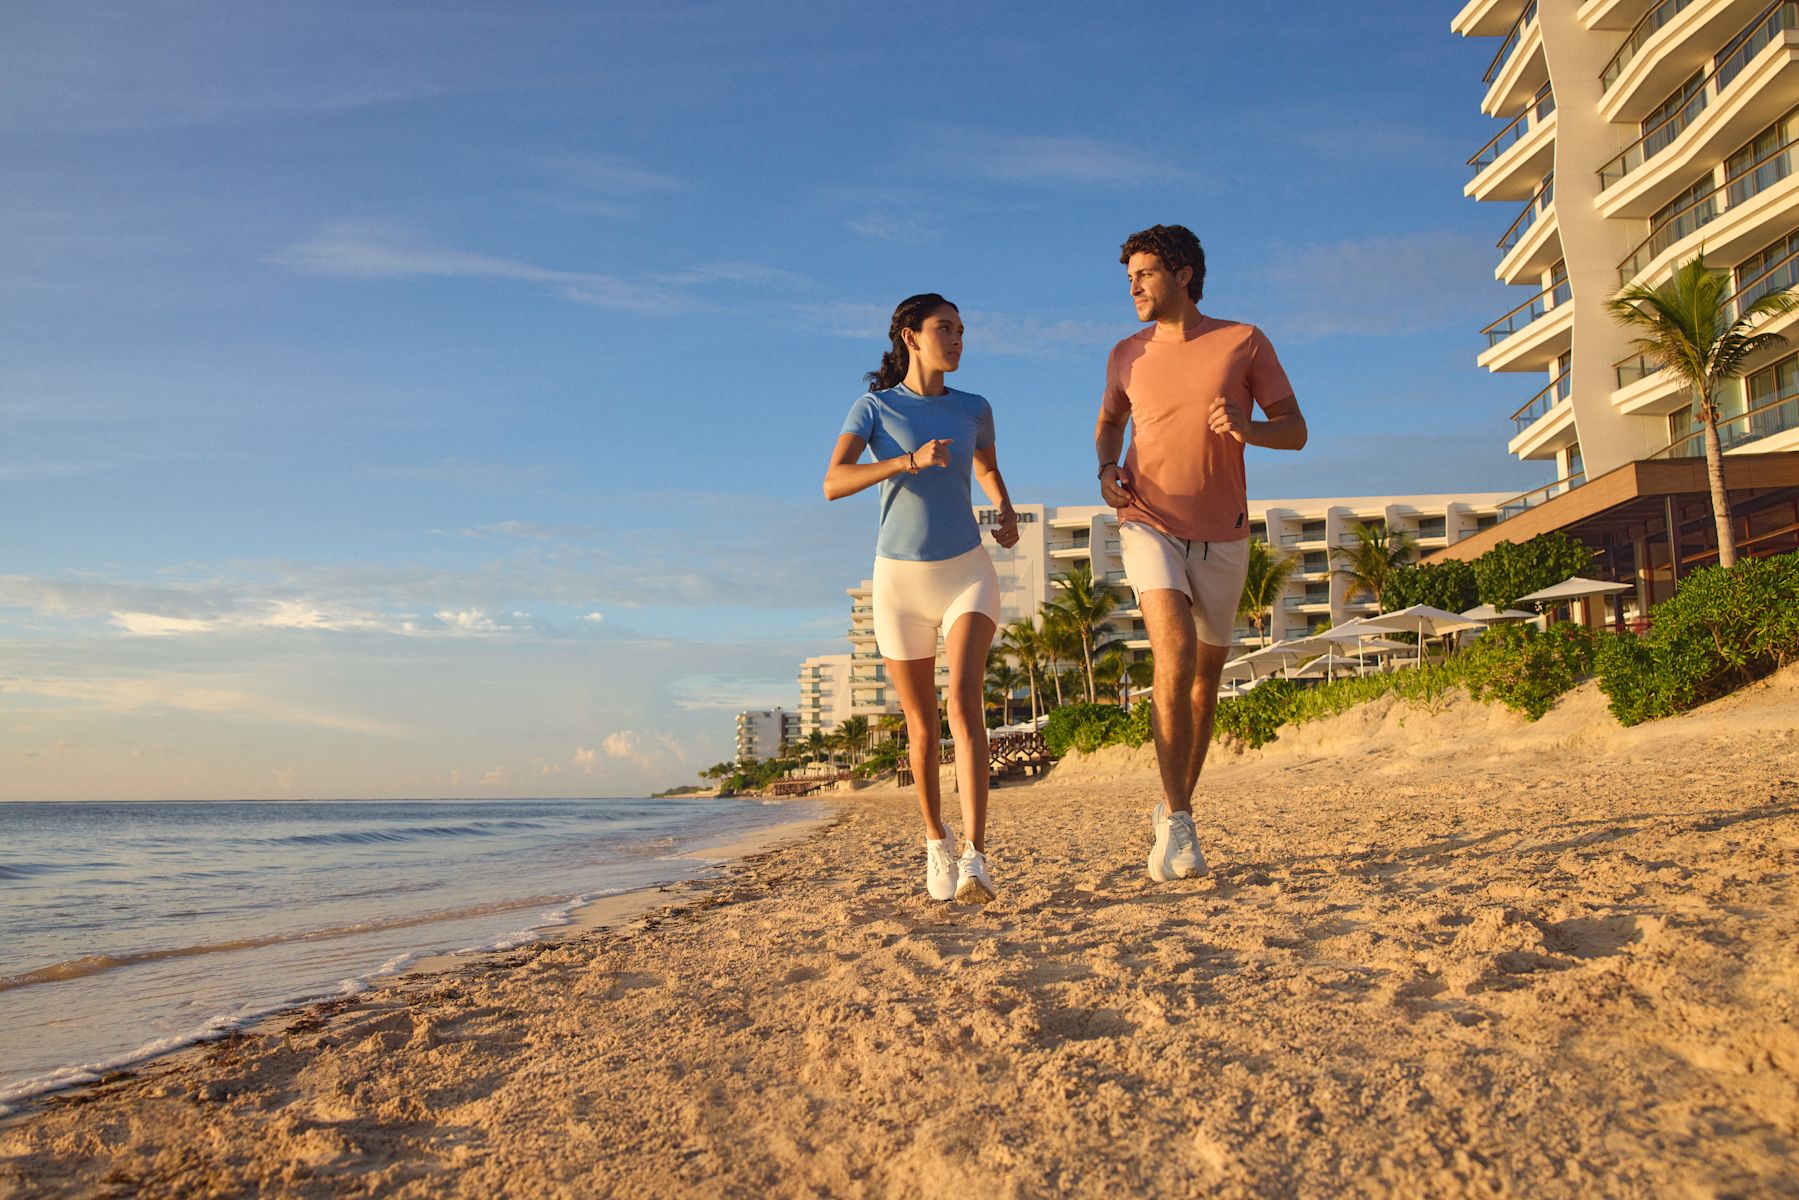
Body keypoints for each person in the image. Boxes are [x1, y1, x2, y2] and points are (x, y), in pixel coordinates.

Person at [1093, 225, 1307, 882]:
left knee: (1205, 681)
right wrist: (1106, 467)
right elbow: (1109, 422)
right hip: (1146, 521)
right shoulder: (1125, 353)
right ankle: (1182, 824)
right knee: (1174, 656)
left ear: (1183, 274)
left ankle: (1169, 805)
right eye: (1128, 275)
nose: (1132, 285)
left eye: (1145, 273)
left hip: (1224, 533)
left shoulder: (1242, 341)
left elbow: (1294, 431)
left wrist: (1248, 429)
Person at [824, 293, 1020, 903]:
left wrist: (1006, 506)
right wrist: (905, 461)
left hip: (966, 570)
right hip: (899, 582)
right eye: (945, 329)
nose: (958, 339)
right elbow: (834, 483)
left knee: (964, 703)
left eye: (961, 329)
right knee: (921, 723)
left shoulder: (974, 408)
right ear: (911, 336)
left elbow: (985, 467)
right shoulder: (875, 407)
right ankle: (935, 840)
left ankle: (976, 856)